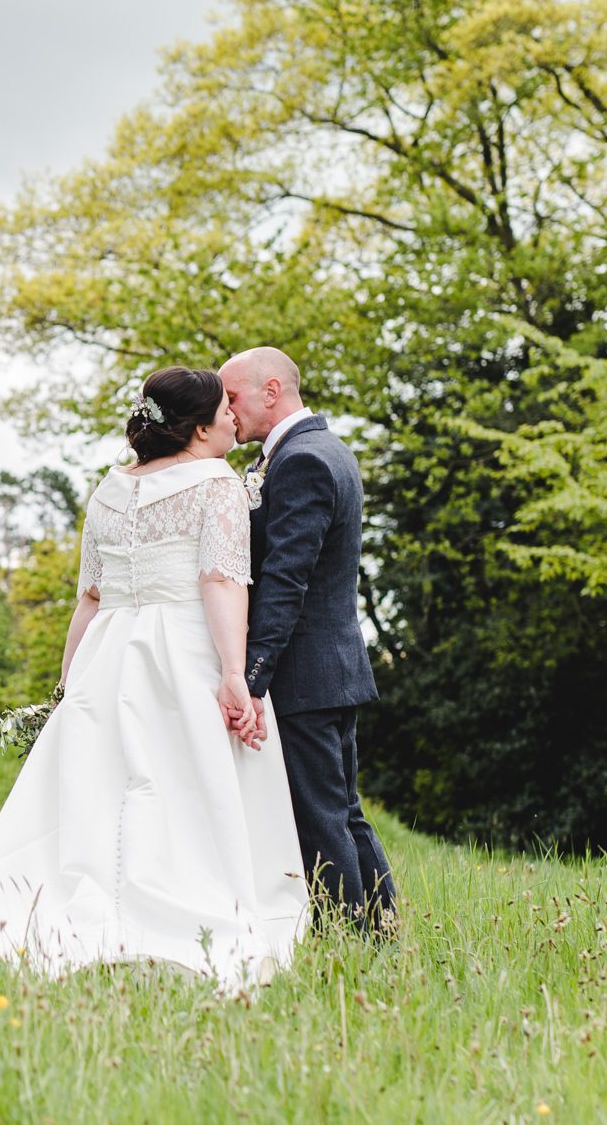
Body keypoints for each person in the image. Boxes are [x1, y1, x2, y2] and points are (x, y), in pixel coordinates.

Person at [0, 367, 310, 992]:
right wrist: (233, 675)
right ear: (199, 429)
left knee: (104, 782)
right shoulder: (216, 484)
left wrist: (67, 687)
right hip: (184, 649)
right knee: (184, 782)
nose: (233, 419)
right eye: (224, 410)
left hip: (110, 653)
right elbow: (221, 581)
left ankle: (71, 910)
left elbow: (88, 599)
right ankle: (184, 911)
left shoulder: (108, 489)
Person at [218, 347, 396, 933]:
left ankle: (350, 940)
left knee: (318, 817)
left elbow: (286, 580)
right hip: (333, 669)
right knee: (343, 810)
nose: (227, 410)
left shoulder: (301, 461)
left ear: (272, 391)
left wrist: (251, 677)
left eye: (233, 397)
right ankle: (383, 929)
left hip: (304, 674)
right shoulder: (325, 449)